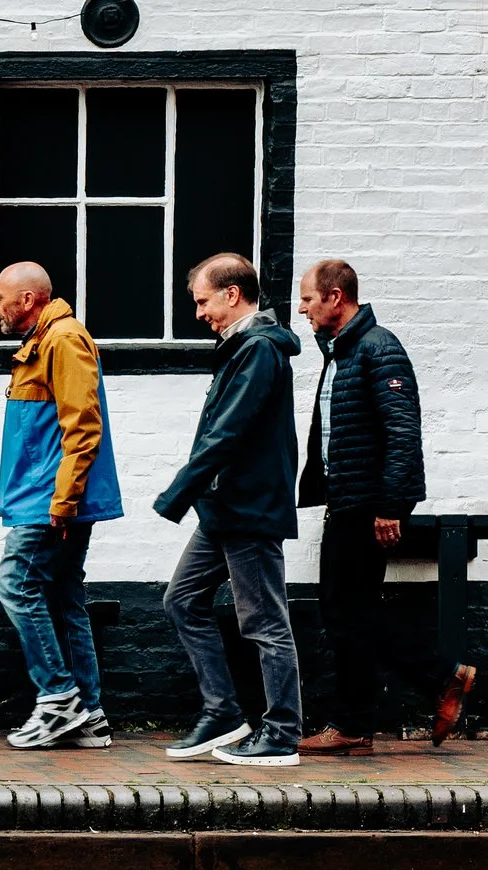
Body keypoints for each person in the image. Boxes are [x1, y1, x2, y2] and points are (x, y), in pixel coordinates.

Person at [294, 259, 473, 753]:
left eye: (308, 298)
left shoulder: (378, 349)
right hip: (348, 500)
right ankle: (429, 685)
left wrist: (392, 505)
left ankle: (364, 718)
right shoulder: (344, 352)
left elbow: (402, 433)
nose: (302, 308)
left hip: (367, 504)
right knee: (350, 611)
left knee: (345, 611)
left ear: (335, 297)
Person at [154, 254, 305, 767]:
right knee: (182, 600)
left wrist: (177, 493)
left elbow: (228, 432)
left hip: (248, 509)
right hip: (226, 507)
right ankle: (222, 714)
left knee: (265, 622)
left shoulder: (259, 350)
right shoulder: (242, 348)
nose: (199, 313)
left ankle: (282, 732)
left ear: (232, 294)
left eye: (202, 301)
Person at [0, 262, 124, 749]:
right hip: (43, 496)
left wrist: (62, 502)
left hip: (53, 503)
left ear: (28, 300)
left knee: (15, 585)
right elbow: (35, 435)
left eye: (1, 297)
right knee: (64, 600)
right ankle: (89, 714)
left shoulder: (62, 340)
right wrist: (4, 494)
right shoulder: (45, 342)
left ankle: (59, 699)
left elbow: (82, 427)